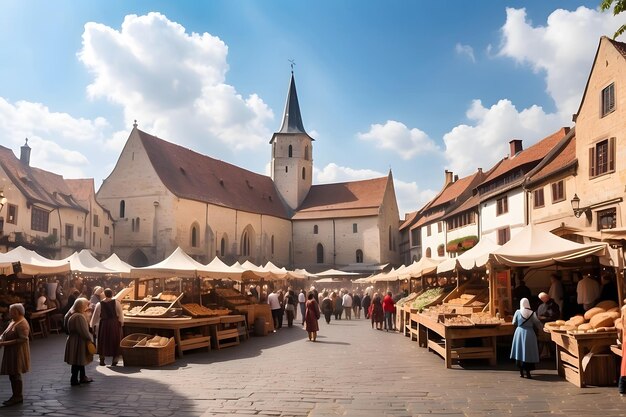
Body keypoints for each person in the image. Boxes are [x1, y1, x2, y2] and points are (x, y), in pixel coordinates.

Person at [0, 303, 30, 406]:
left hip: (18, 352)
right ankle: (15, 395)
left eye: (12, 311)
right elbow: (4, 334)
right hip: (11, 351)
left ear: (18, 312)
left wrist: (4, 343)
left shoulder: (22, 323)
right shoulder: (13, 322)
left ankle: (18, 396)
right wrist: (1, 339)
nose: (10, 313)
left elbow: (23, 339)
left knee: (16, 373)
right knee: (12, 374)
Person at [64, 298, 94, 386]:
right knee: (77, 361)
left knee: (79, 360)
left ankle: (82, 377)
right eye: (85, 305)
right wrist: (90, 339)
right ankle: (74, 379)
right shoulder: (79, 317)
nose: (86, 307)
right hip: (78, 341)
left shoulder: (74, 315)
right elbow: (84, 331)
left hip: (75, 340)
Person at [510, 298, 543, 379]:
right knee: (528, 351)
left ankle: (521, 372)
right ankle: (528, 372)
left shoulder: (517, 312)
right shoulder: (532, 313)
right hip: (529, 333)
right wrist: (543, 328)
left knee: (520, 351)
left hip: (519, 332)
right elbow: (537, 323)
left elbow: (513, 322)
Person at [90, 288, 123, 366]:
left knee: (103, 340)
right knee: (115, 340)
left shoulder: (99, 304)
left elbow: (96, 315)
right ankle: (115, 359)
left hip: (104, 324)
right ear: (112, 294)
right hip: (114, 323)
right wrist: (121, 323)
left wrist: (92, 324)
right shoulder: (117, 303)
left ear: (104, 294)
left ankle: (102, 359)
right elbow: (120, 313)